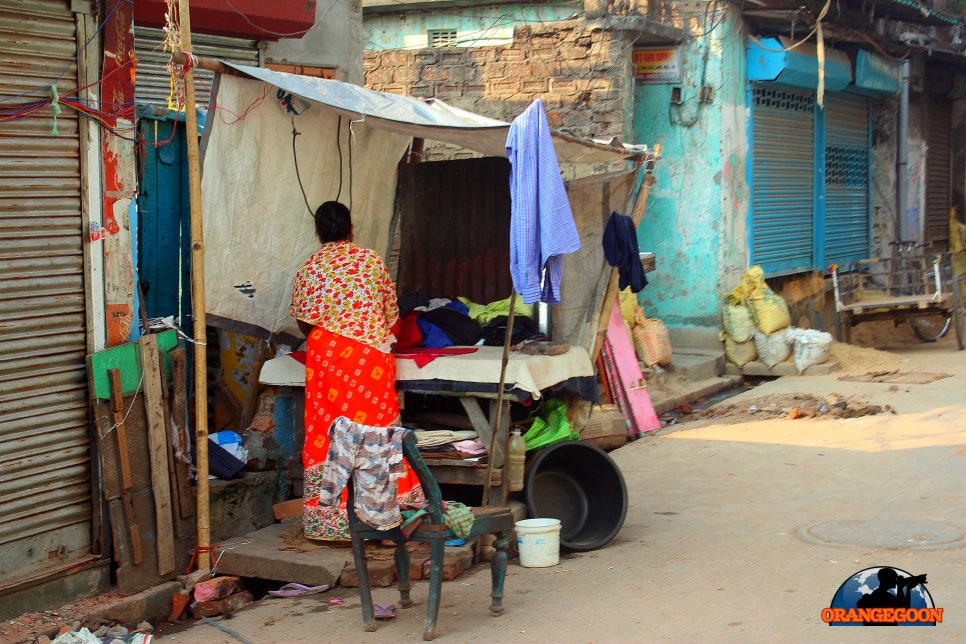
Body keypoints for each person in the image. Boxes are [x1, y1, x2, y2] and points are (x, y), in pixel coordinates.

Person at [290, 201, 424, 541]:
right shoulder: (370, 261)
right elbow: (392, 318)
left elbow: (304, 323)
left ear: (318, 232)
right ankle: (389, 517)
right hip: (368, 359)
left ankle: (328, 524)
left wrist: (332, 333)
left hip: (326, 356)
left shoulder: (310, 267)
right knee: (376, 432)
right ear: (351, 229)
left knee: (329, 434)